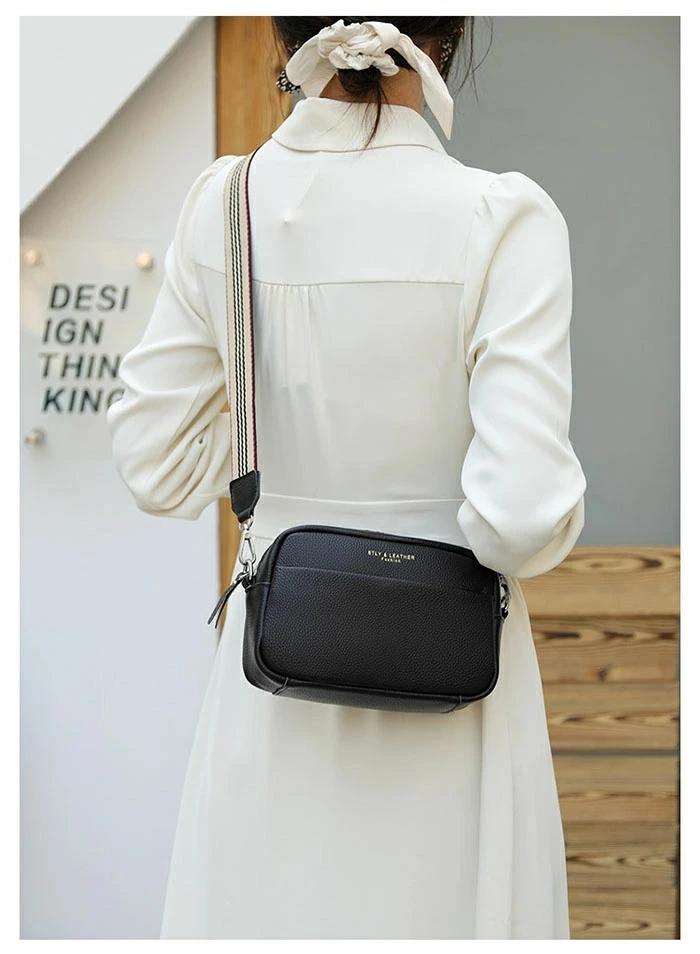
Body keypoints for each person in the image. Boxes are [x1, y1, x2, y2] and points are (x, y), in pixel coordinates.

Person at [107, 16, 586, 940]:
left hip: (274, 684)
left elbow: (155, 466)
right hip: (456, 694)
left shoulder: (227, 205)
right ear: (446, 42)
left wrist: (286, 452)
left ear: (283, 39)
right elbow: (522, 516)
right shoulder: (502, 219)